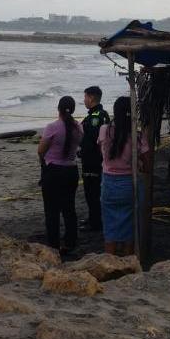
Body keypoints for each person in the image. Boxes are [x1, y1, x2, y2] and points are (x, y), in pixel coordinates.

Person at [97, 96, 150, 256]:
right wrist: (139, 165)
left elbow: (103, 149)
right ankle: (128, 264)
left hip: (109, 184)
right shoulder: (137, 136)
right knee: (130, 227)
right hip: (129, 184)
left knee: (110, 227)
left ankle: (110, 262)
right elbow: (147, 165)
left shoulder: (104, 130)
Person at [38, 96, 84, 254]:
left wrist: (43, 163)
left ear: (58, 108)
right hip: (71, 170)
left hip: (54, 171)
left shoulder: (52, 127)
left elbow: (41, 151)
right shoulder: (78, 127)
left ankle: (54, 244)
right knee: (69, 208)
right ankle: (70, 242)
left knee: (51, 210)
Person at [79, 86, 110, 231]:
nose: (84, 100)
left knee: (92, 191)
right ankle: (94, 217)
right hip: (98, 159)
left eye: (85, 97)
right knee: (94, 191)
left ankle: (95, 222)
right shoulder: (102, 114)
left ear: (91, 98)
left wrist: (82, 151)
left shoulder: (95, 117)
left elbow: (92, 140)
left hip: (92, 161)